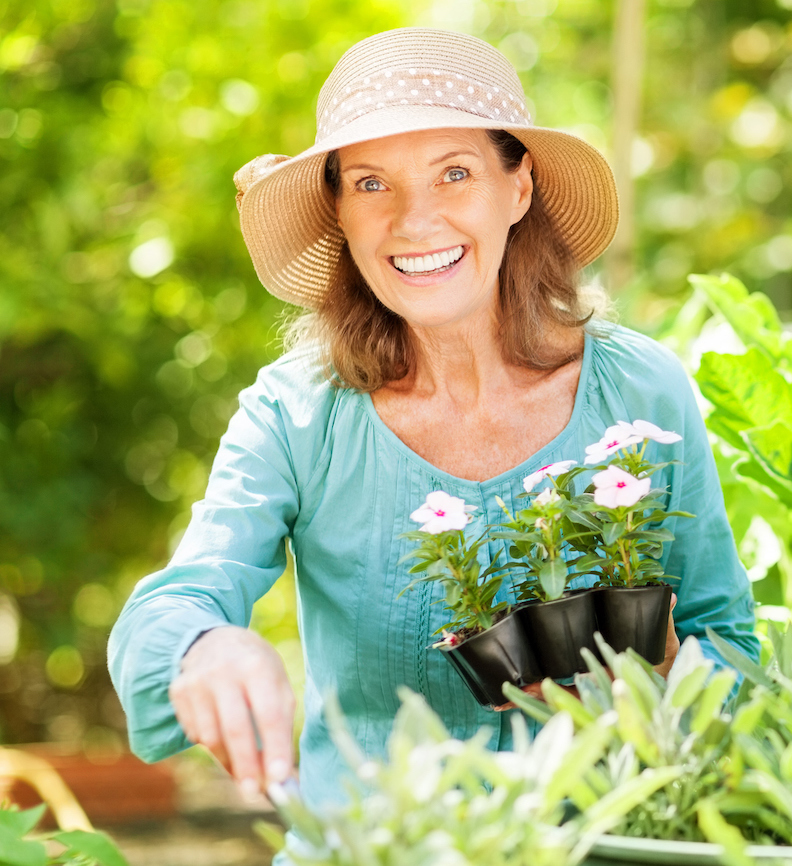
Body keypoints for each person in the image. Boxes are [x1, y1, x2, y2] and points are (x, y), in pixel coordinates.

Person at [106, 27, 759, 816]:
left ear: (518, 188)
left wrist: (667, 692)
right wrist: (203, 646)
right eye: (373, 184)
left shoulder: (639, 389)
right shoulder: (297, 414)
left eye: (454, 173)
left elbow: (725, 637)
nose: (415, 221)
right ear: (339, 212)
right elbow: (169, 609)